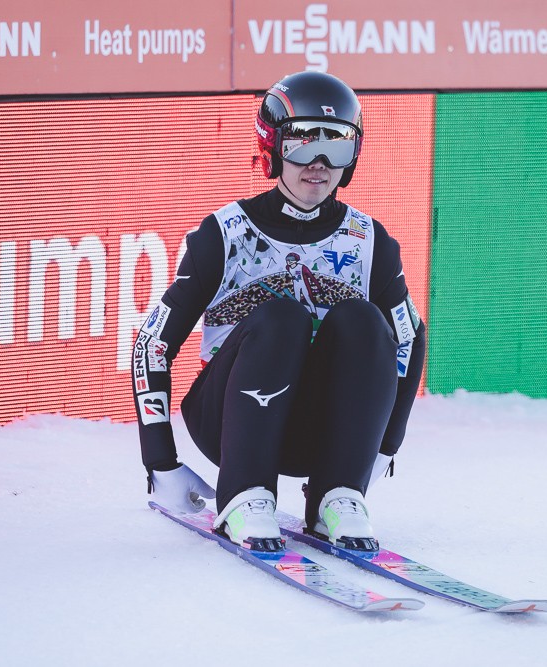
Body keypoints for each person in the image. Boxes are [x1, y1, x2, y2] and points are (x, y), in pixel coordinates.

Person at [132, 70, 426, 552]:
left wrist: (383, 449)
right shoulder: (224, 233)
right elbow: (153, 343)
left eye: (337, 146)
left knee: (365, 321)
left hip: (318, 431)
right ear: (272, 146)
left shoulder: (369, 241)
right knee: (282, 317)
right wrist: (160, 460)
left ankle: (337, 494)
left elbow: (409, 338)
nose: (319, 164)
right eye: (303, 143)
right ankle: (244, 494)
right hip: (230, 422)